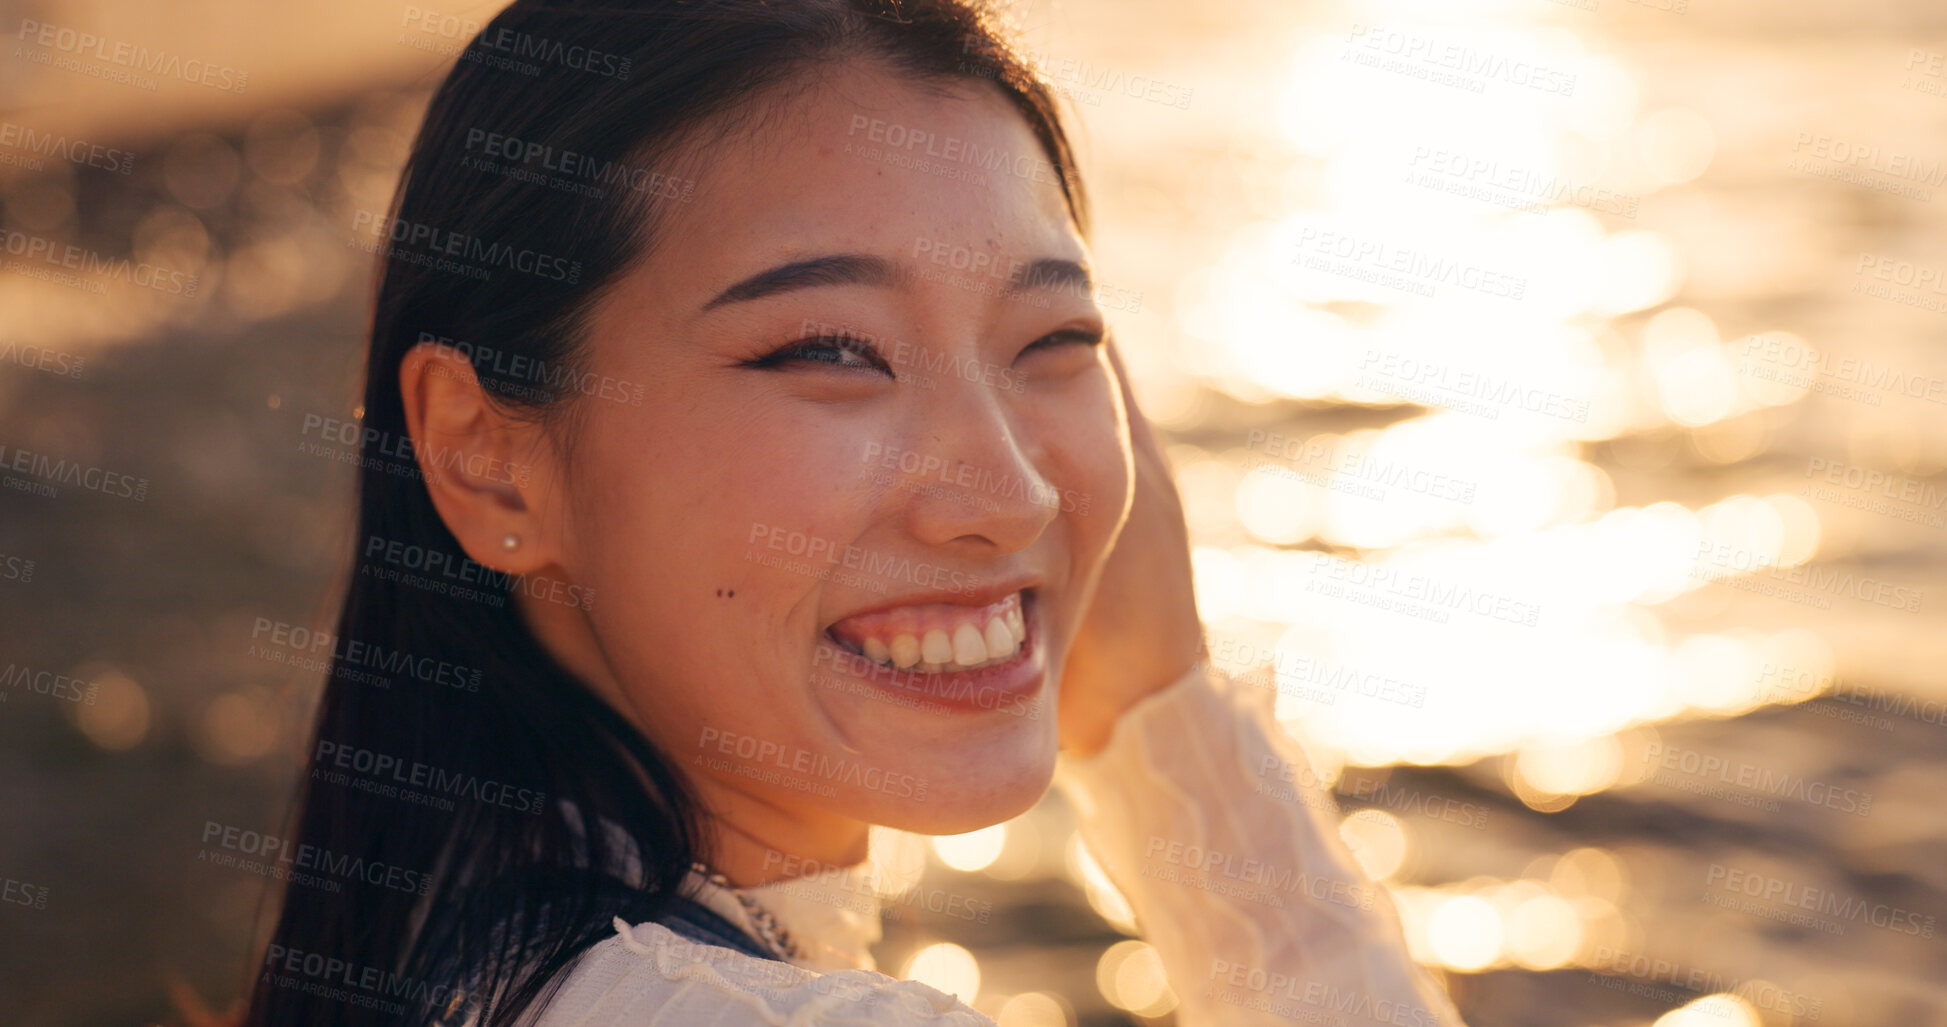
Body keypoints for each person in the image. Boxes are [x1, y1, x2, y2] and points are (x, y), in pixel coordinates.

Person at [243, 1, 1467, 1024]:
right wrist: (1168, 721)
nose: (1011, 491)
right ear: (489, 458)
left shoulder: (447, 949)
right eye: (829, 351)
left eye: (1054, 338)